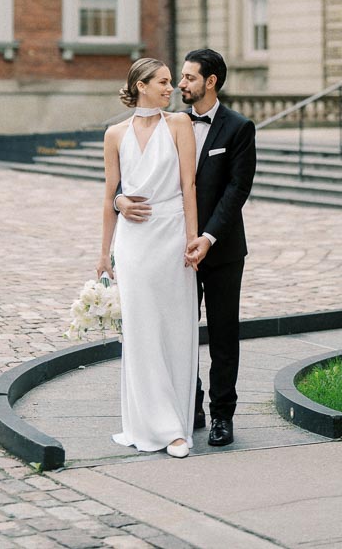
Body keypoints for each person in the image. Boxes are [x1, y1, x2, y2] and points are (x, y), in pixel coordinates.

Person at [116, 48, 256, 448]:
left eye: (189, 78)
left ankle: (222, 417)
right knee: (176, 329)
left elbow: (236, 191)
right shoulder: (168, 123)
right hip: (172, 249)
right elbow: (138, 176)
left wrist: (207, 237)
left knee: (224, 335)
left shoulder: (238, 128)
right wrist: (119, 200)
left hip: (221, 248)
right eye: (178, 77)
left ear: (210, 82)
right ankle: (186, 405)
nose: (180, 84)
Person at [96, 57, 199, 458]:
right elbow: (109, 195)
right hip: (134, 244)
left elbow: (189, 185)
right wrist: (104, 253)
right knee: (141, 333)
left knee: (174, 329)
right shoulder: (114, 134)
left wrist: (192, 239)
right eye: (162, 81)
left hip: (172, 236)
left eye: (171, 82)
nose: (170, 88)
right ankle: (155, 426)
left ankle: (175, 423)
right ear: (141, 85)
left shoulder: (179, 125)